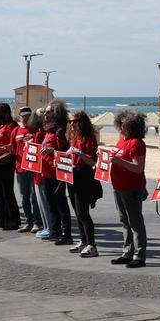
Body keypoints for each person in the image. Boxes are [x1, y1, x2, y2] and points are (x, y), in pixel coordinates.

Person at [109, 110, 148, 268]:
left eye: (123, 123)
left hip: (131, 187)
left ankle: (139, 255)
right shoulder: (122, 141)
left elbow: (138, 168)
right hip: (119, 186)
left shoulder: (136, 143)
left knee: (135, 222)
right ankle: (127, 252)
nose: (120, 126)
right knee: (124, 221)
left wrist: (118, 161)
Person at [66, 110, 100, 257]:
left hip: (84, 175)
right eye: (70, 121)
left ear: (82, 123)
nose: (72, 124)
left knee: (83, 212)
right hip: (73, 174)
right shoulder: (74, 137)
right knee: (77, 211)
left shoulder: (89, 138)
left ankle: (92, 244)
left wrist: (79, 153)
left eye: (75, 121)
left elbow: (92, 161)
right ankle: (83, 240)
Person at [38, 101, 72, 243]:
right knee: (51, 203)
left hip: (57, 172)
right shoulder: (48, 129)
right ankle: (55, 230)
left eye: (48, 111)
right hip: (46, 172)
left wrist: (53, 151)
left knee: (61, 203)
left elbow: (66, 152)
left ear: (56, 112)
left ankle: (66, 234)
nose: (45, 114)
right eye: (45, 112)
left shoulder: (60, 130)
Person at [0, 103, 20, 231]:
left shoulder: (12, 126)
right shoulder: (0, 126)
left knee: (7, 192)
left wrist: (0, 148)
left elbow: (13, 146)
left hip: (6, 162)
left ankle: (11, 220)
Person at [14, 107, 39, 232]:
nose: (25, 118)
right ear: (19, 117)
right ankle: (29, 221)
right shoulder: (16, 131)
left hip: (33, 168)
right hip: (20, 168)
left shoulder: (35, 130)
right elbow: (13, 149)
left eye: (28, 116)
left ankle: (36, 222)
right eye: (23, 116)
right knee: (24, 197)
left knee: (34, 197)